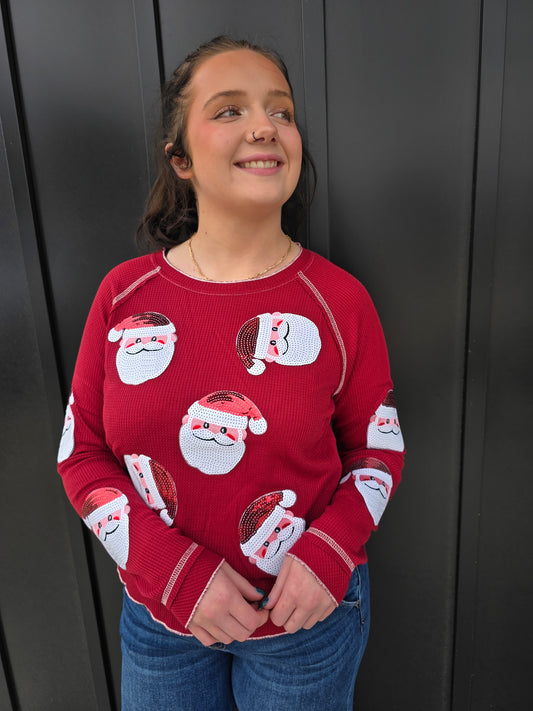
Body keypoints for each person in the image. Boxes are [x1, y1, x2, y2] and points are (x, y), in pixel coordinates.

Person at [57, 35, 405, 711]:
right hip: (162, 621)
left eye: (280, 110)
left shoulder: (339, 301)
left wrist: (329, 553)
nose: (262, 126)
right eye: (228, 110)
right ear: (179, 157)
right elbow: (81, 456)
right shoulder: (123, 296)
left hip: (304, 625)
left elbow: (378, 448)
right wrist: (176, 573)